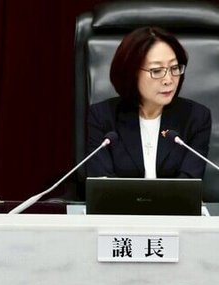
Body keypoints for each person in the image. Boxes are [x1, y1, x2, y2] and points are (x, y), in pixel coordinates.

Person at [86, 26, 211, 180]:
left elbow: (188, 184)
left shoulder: (196, 117)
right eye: (157, 71)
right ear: (131, 73)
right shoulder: (102, 117)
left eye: (174, 68)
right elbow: (101, 184)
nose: (169, 80)